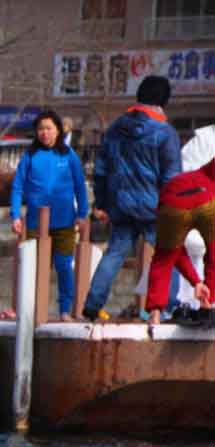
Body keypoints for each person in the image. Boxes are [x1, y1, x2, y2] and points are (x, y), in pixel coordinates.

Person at [81, 76, 182, 321]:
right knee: (169, 253)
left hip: (121, 204)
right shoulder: (165, 132)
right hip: (154, 206)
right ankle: (166, 306)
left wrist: (103, 202)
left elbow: (102, 169)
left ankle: (93, 304)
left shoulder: (116, 128)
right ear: (164, 100)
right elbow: (172, 175)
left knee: (115, 252)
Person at [10, 110, 89, 321]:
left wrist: (82, 213)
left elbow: (80, 186)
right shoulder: (30, 155)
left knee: (64, 267)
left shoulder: (69, 155)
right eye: (40, 129)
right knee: (36, 269)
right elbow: (17, 187)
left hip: (64, 221)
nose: (44, 133)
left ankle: (65, 310)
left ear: (58, 130)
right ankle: (33, 309)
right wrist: (15, 215)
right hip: (36, 224)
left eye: (49, 128)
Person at [144, 157, 215, 325]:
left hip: (172, 202)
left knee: (163, 259)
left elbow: (175, 253)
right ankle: (208, 303)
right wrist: (201, 284)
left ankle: (155, 313)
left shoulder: (171, 189)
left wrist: (195, 281)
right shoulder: (207, 176)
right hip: (207, 202)